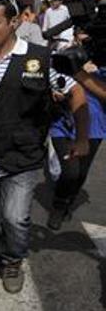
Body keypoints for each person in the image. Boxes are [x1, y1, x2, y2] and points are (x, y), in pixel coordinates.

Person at [0, 0, 89, 293]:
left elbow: (77, 93)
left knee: (15, 219)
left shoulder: (41, 59)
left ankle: (12, 262)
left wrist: (81, 139)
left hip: (22, 158)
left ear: (13, 23)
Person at [47, 34, 106, 229]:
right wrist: (53, 92)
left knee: (81, 173)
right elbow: (47, 78)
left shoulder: (101, 64)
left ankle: (68, 201)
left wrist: (81, 73)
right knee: (71, 171)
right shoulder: (62, 56)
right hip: (62, 124)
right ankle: (58, 205)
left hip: (94, 127)